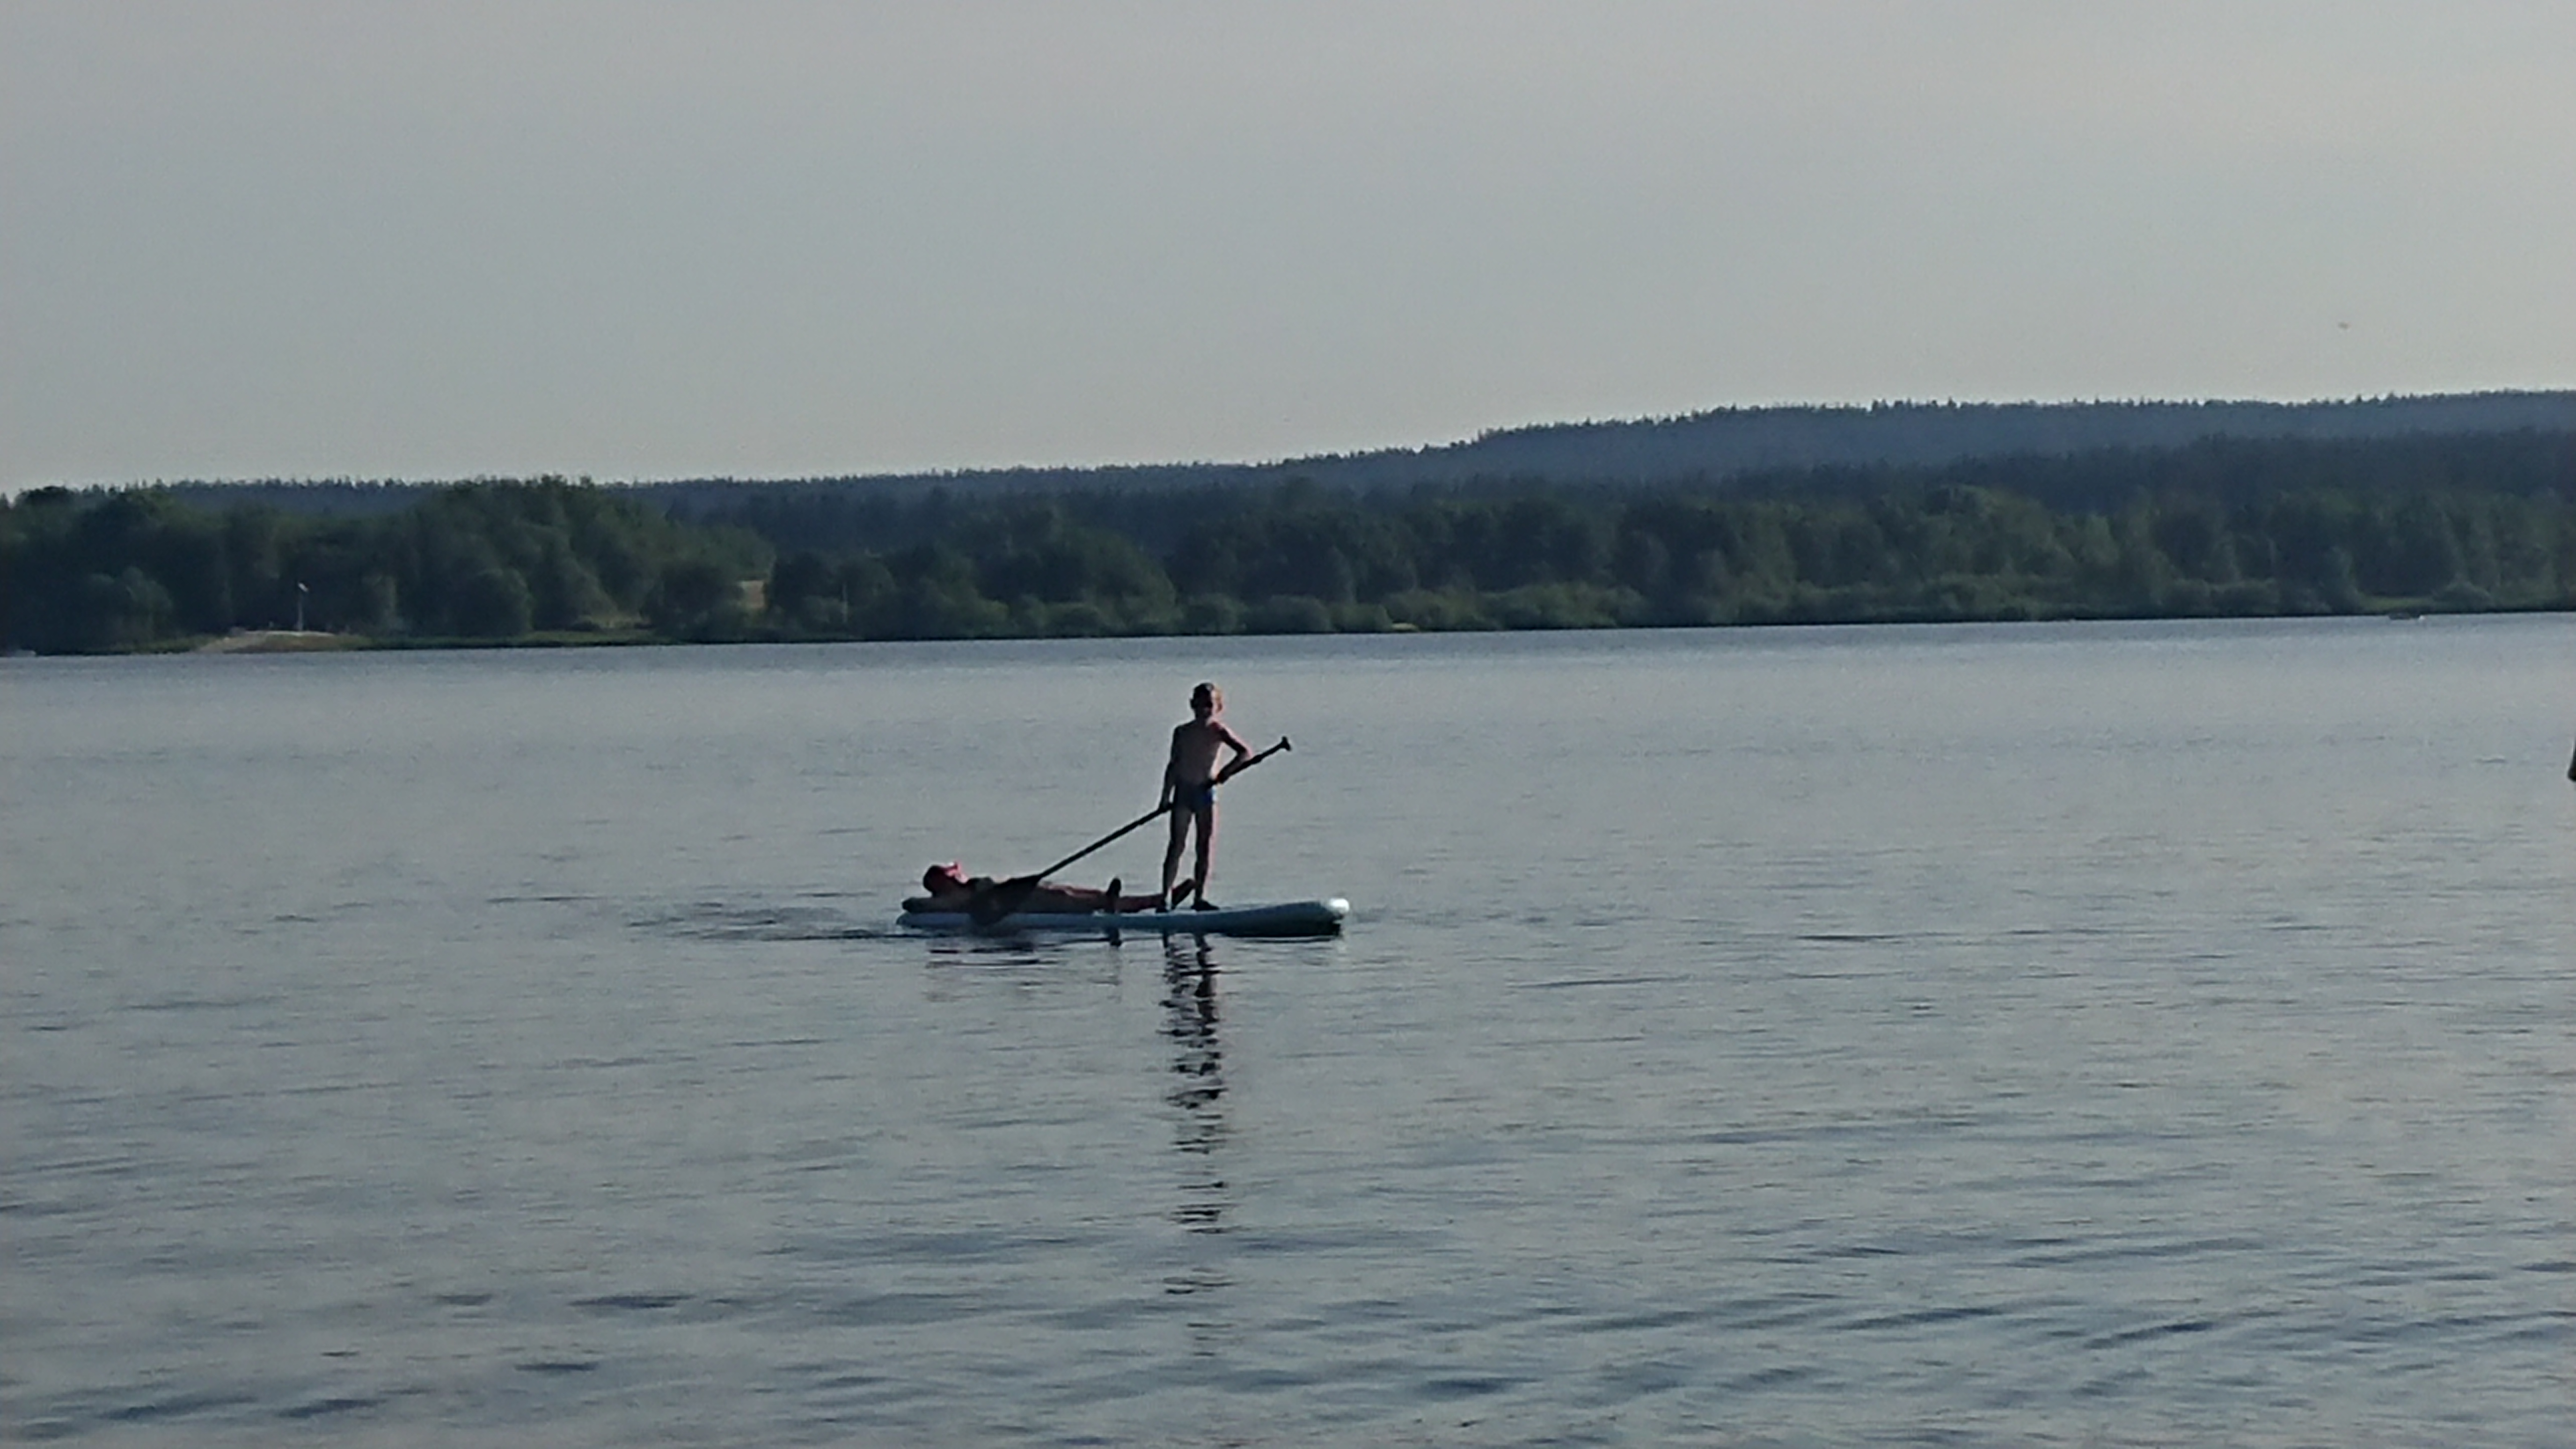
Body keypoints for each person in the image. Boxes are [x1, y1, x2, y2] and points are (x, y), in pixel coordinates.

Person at [1160, 681, 1253, 910]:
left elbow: (1245, 753)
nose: (1204, 710)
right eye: (1200, 705)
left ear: (1218, 707)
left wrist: (1225, 773)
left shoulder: (1219, 731)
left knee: (1204, 846)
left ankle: (1199, 898)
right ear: (1192, 705)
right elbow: (1173, 765)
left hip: (1205, 793)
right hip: (1183, 794)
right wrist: (1165, 797)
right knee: (1177, 846)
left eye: (1209, 705)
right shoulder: (1181, 732)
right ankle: (1165, 898)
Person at [909, 863, 1155, 915]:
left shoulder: (962, 887)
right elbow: (911, 905)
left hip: (1023, 891)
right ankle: (1142, 903)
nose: (955, 877)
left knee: (1070, 890)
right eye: (949, 877)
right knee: (1064, 896)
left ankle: (1156, 899)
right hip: (1018, 903)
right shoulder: (948, 900)